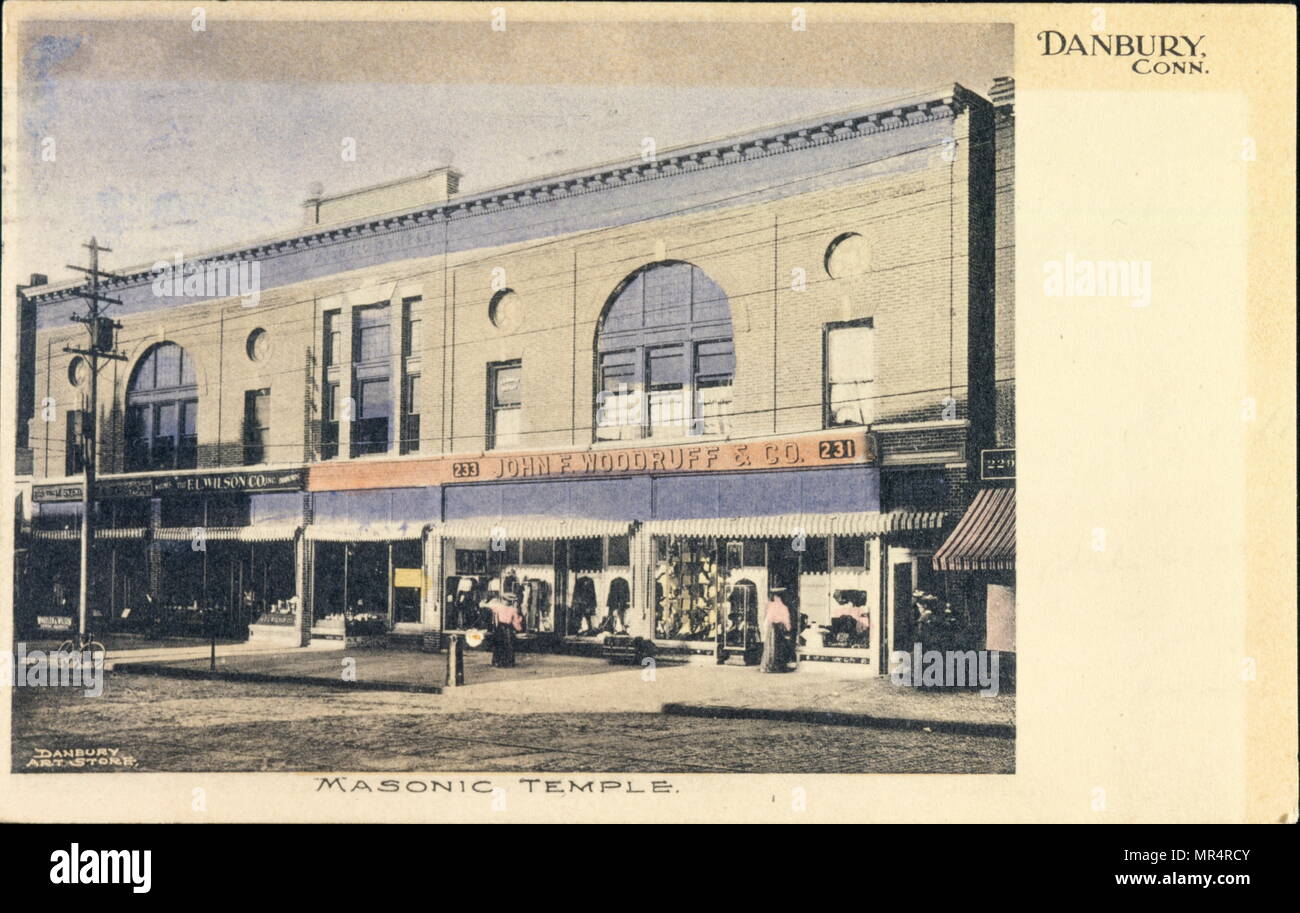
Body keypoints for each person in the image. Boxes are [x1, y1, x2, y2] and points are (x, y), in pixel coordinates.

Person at [488, 592, 525, 668]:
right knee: (508, 645)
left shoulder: (498, 607)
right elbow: (516, 622)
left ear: (503, 599)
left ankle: (497, 662)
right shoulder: (513, 609)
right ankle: (508, 663)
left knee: (498, 644)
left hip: (500, 627)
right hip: (508, 628)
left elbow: (487, 606)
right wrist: (520, 624)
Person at [761, 587, 793, 673]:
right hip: (780, 628)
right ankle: (778, 666)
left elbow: (766, 619)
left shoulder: (769, 606)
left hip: (771, 628)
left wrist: (764, 629)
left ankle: (769, 666)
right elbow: (787, 621)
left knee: (770, 647)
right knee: (779, 647)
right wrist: (788, 629)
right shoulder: (784, 607)